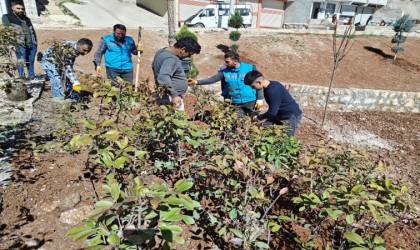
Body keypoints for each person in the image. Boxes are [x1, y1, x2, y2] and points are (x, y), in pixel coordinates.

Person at [188, 51, 264, 117]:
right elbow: (212, 79)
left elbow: (260, 83)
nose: (225, 64)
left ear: (235, 61)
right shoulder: (224, 71)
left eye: (227, 62)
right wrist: (196, 82)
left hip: (250, 101)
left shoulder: (250, 68)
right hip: (234, 102)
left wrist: (260, 98)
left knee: (254, 121)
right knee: (237, 123)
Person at [244, 70, 302, 136]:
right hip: (280, 114)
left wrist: (258, 117)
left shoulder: (272, 90)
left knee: (286, 139)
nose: (252, 88)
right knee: (265, 128)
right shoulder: (270, 86)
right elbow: (270, 107)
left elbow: (272, 112)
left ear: (259, 82)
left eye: (253, 86)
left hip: (290, 116)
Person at [152, 37, 201, 110]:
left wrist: (180, 79)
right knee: (178, 120)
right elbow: (163, 77)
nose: (188, 57)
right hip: (170, 97)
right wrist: (174, 95)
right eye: (189, 54)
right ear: (183, 50)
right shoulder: (171, 59)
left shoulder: (162, 52)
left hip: (166, 95)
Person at [2, 0, 38, 79]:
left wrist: (35, 42)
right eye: (18, 8)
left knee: (31, 61)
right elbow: (7, 31)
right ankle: (21, 78)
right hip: (19, 44)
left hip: (32, 43)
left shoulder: (26, 18)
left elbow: (32, 30)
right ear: (12, 8)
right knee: (21, 61)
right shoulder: (7, 17)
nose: (21, 10)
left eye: (22, 9)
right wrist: (11, 43)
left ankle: (31, 76)